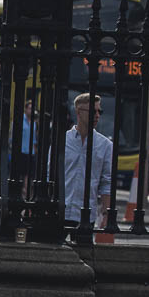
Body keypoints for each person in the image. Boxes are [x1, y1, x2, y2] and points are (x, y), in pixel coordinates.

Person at [63, 93, 111, 228]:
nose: (97, 115)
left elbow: (106, 182)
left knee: (84, 248)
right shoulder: (62, 140)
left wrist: (106, 214)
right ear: (79, 112)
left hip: (86, 214)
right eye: (93, 111)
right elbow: (51, 174)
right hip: (61, 211)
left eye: (99, 111)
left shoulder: (105, 145)